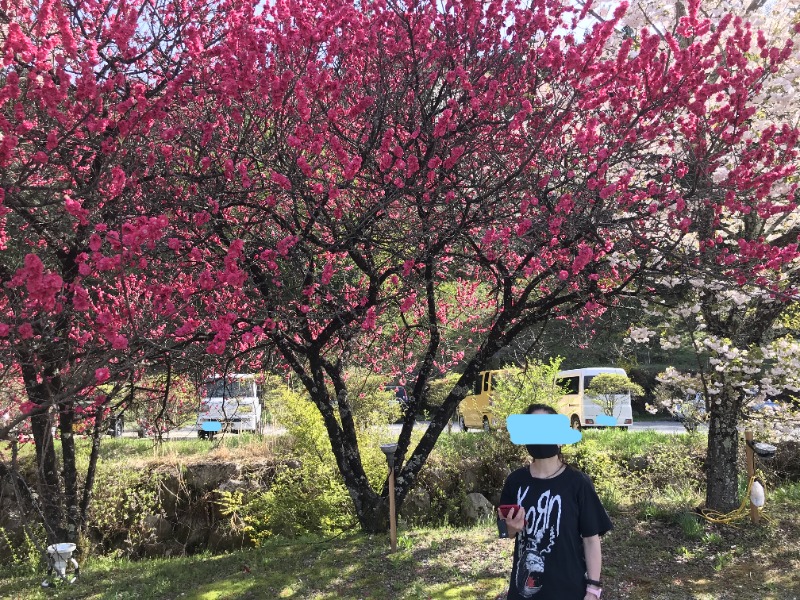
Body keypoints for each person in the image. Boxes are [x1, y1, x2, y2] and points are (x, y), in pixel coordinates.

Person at [498, 403, 612, 600]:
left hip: (569, 590)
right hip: (523, 590)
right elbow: (503, 531)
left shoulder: (578, 483)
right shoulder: (515, 481)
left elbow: (591, 540)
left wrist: (593, 590)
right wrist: (510, 528)